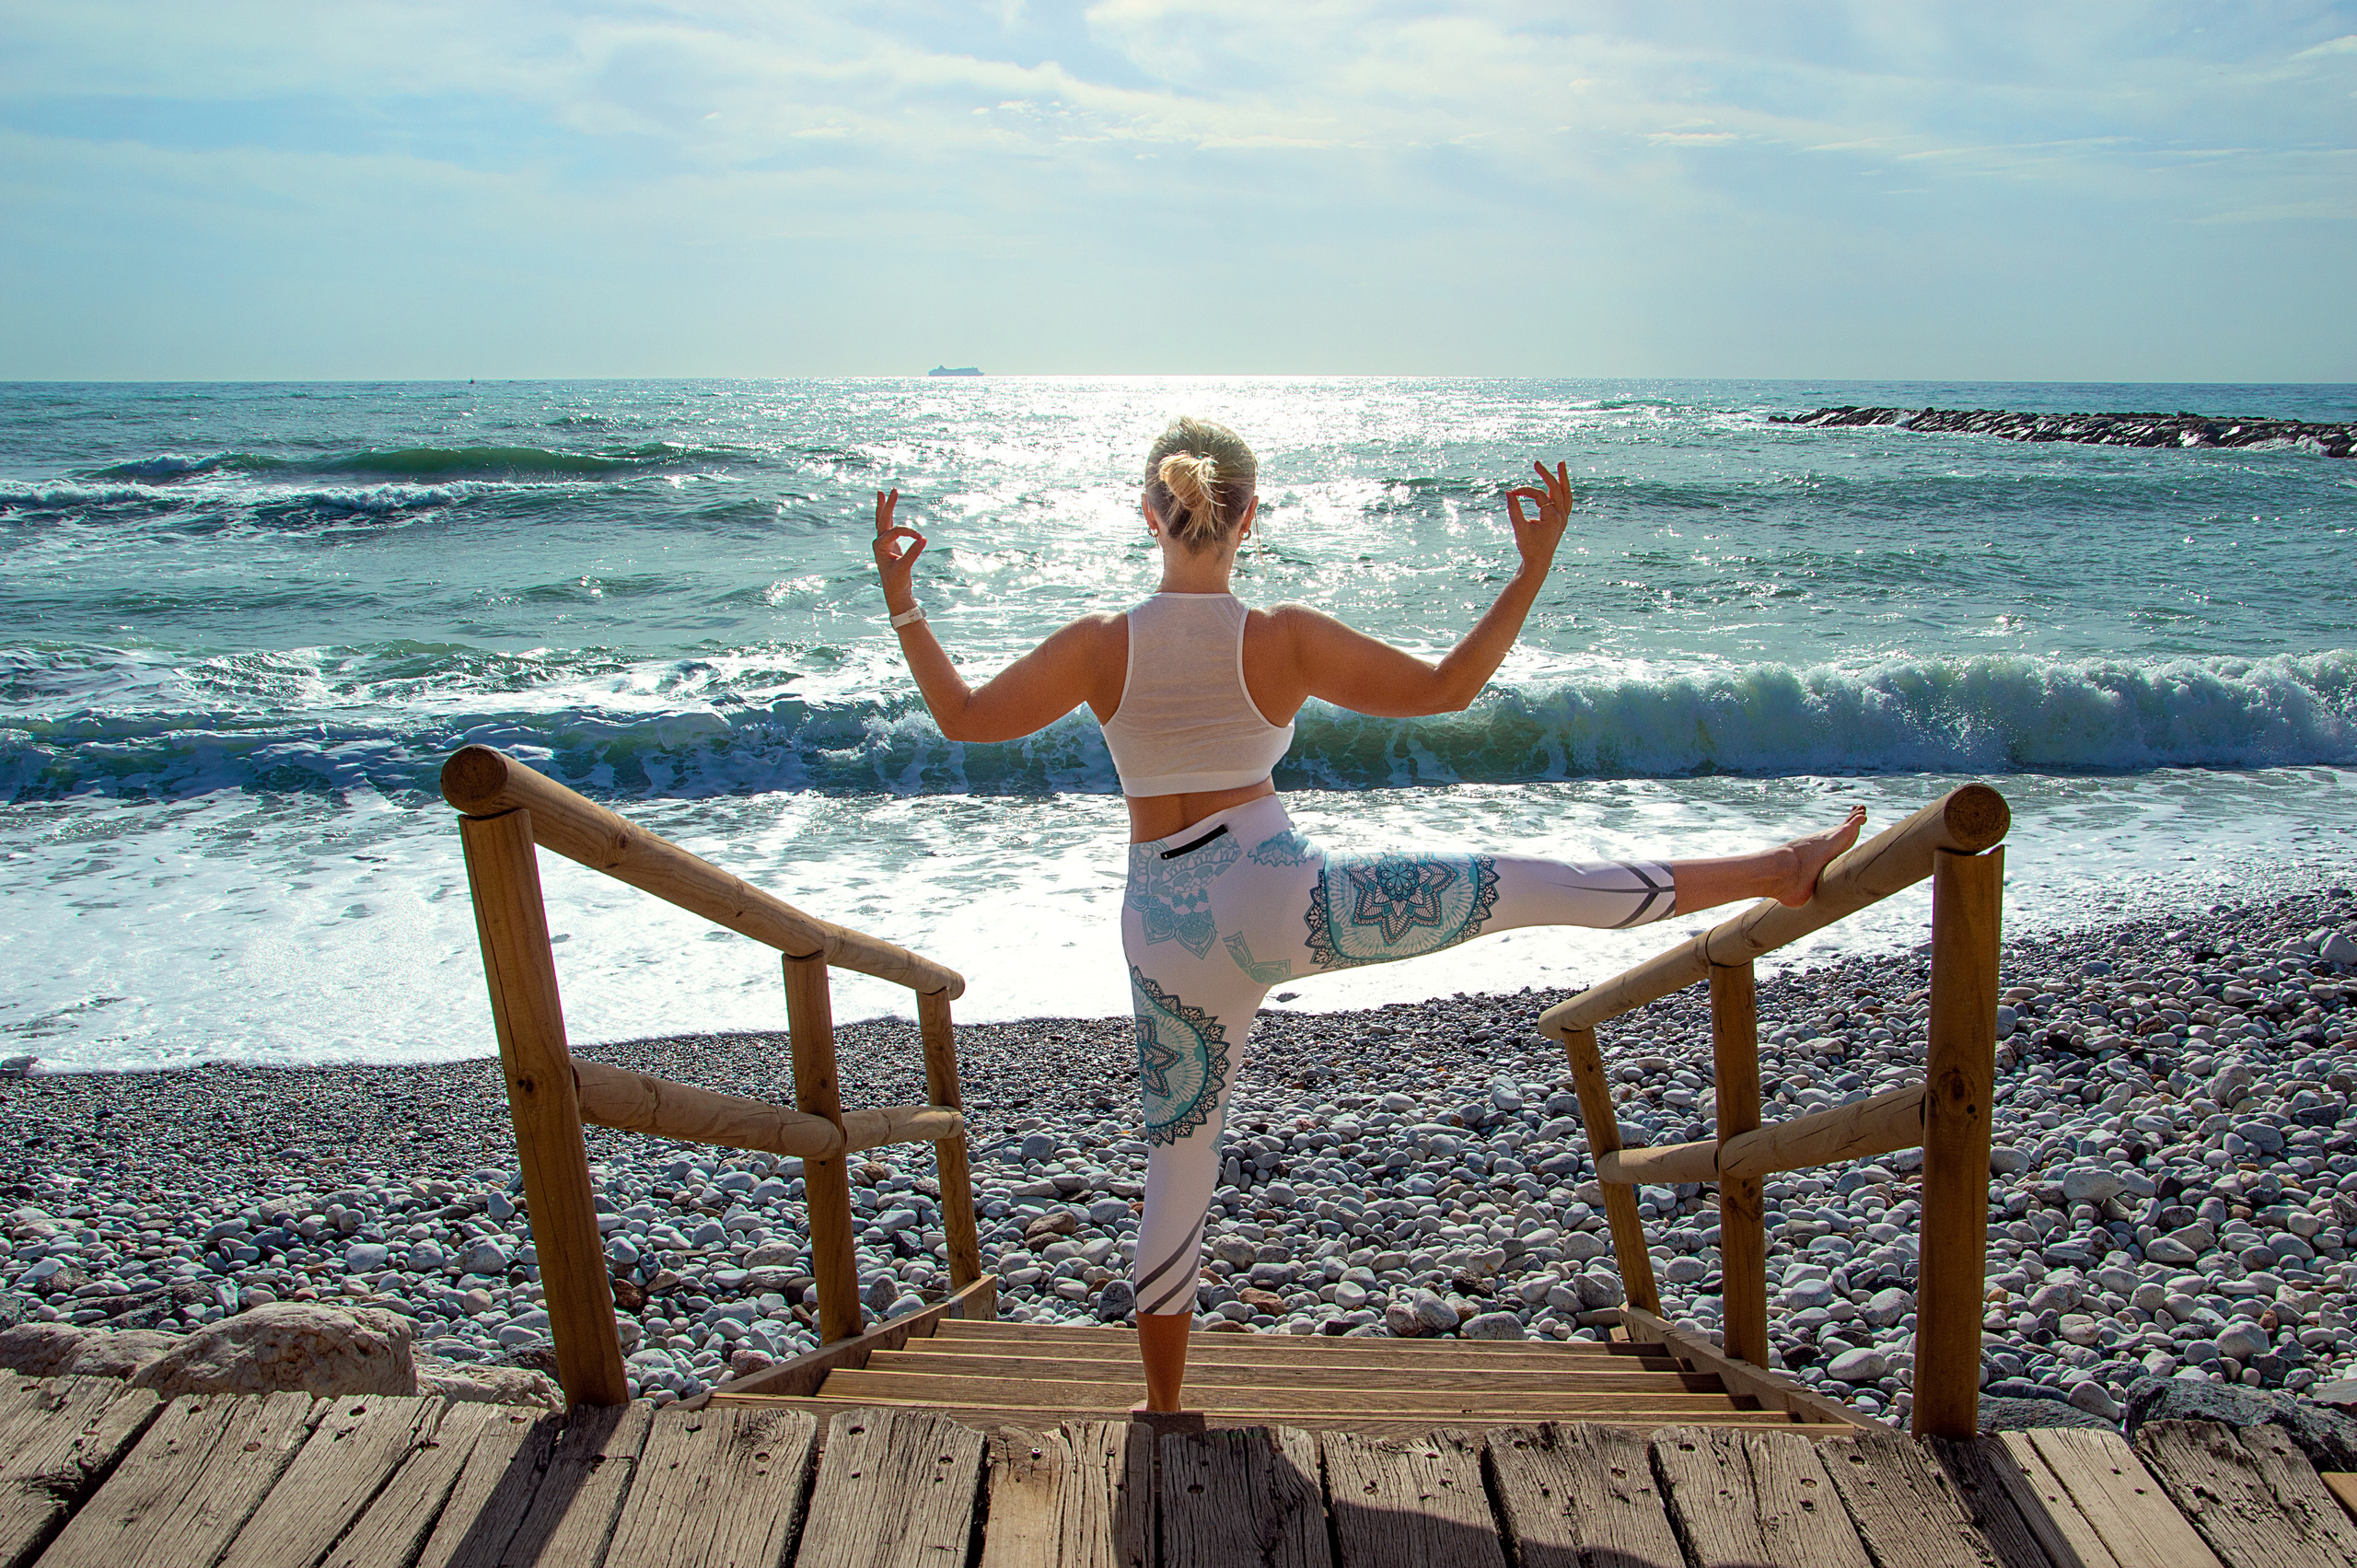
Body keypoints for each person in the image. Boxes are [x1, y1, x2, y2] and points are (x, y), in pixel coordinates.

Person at [870, 415, 1864, 1411]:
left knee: (1179, 1157)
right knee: (1527, 882)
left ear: (1148, 511)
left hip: (1162, 924)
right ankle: (1776, 867)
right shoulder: (1281, 635)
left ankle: (1164, 1406)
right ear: (1248, 516)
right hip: (1285, 901)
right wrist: (1530, 568)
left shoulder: (1100, 645)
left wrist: (905, 603)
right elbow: (1449, 688)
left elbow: (962, 719)